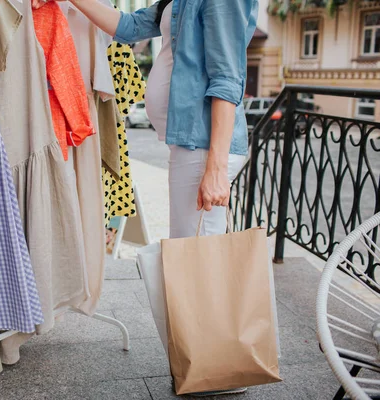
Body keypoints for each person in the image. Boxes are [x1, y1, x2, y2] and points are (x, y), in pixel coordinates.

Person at [34, 0, 260, 396]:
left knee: (199, 260)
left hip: (204, 145)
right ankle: (204, 361)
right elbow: (128, 26)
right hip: (189, 143)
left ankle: (218, 367)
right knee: (192, 256)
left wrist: (217, 167)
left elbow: (228, 78)